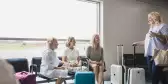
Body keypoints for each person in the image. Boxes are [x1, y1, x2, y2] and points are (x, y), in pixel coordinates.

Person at [133, 12, 168, 84]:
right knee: (159, 75)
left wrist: (157, 35)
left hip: (158, 54)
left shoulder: (163, 26)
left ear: (155, 17)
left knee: (154, 76)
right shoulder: (151, 28)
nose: (148, 20)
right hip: (149, 55)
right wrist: (137, 43)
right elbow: (147, 42)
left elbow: (165, 40)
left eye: (150, 17)